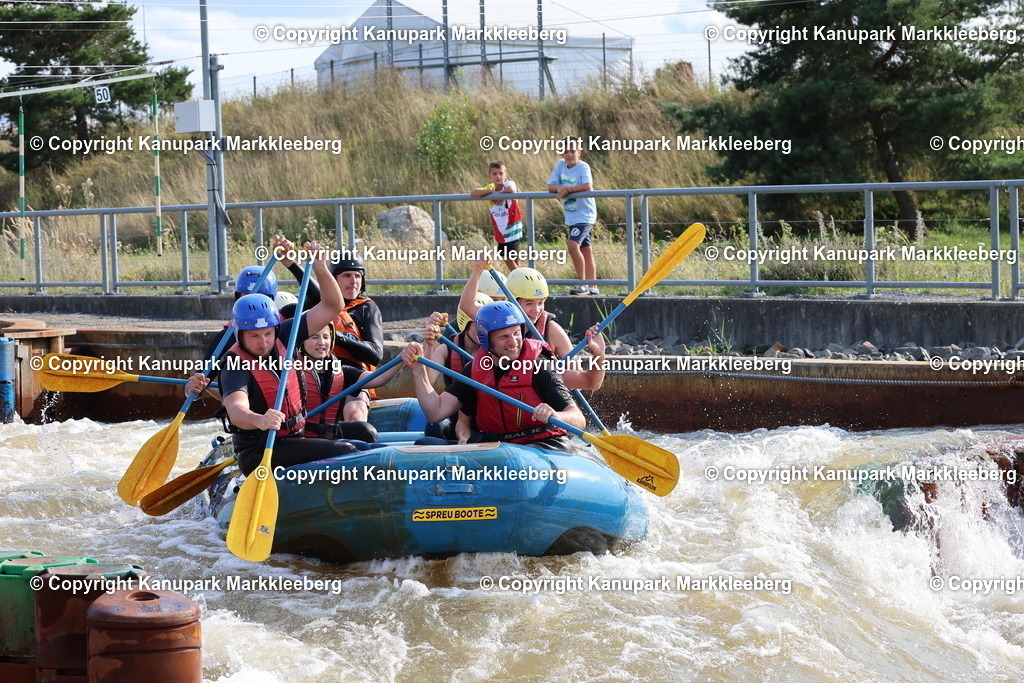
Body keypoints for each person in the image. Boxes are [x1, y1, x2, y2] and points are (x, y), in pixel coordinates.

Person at [190, 243, 381, 477]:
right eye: (254, 336)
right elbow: (237, 409)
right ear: (239, 334)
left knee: (363, 438)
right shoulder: (235, 363)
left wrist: (320, 266)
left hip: (296, 434)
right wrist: (259, 419)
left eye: (268, 333)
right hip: (261, 450)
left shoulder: (287, 333)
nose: (263, 342)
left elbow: (333, 305)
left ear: (275, 327)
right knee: (349, 449)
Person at [403, 301, 585, 453]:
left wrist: (557, 416)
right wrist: (418, 371)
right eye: (504, 337)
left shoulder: (539, 366)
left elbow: (578, 419)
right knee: (425, 445)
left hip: (542, 446)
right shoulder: (474, 370)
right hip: (498, 447)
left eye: (516, 333)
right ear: (486, 340)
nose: (513, 342)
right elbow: (435, 412)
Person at [459, 261, 607, 390]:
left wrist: (552, 370)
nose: (536, 310)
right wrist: (478, 270)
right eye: (529, 303)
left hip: (539, 399)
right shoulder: (498, 319)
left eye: (540, 302)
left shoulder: (552, 330)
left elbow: (579, 379)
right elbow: (467, 306)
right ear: (512, 301)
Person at [298, 322, 402, 443]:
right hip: (301, 436)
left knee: (366, 431)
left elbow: (380, 378)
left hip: (330, 432)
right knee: (347, 448)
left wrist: (402, 359)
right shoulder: (290, 371)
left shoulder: (341, 371)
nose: (321, 342)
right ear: (301, 341)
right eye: (314, 337)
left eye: (326, 337)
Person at [421, 292, 492, 443]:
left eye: (487, 325)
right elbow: (427, 380)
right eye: (478, 324)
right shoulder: (448, 348)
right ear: (464, 324)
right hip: (457, 415)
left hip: (487, 419)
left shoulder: (496, 350)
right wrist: (428, 345)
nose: (484, 330)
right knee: (433, 427)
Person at [329, 255, 384, 423]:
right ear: (333, 280)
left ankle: (357, 433)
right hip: (320, 372)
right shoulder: (318, 304)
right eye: (346, 275)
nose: (353, 281)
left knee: (354, 415)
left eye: (357, 276)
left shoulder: (367, 308)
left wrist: (337, 338)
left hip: (354, 377)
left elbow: (376, 354)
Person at [547, 137, 599, 295]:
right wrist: (560, 188)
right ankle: (593, 286)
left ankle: (582, 284)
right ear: (562, 153)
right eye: (566, 151)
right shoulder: (560, 166)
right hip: (572, 215)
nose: (569, 154)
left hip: (584, 215)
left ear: (579, 152)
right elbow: (550, 186)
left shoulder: (584, 167)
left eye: (572, 151)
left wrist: (568, 190)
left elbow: (587, 186)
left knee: (572, 246)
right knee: (585, 249)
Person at [469, 160, 523, 272]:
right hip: (500, 231)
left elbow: (511, 190)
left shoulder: (509, 184)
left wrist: (499, 195)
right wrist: (491, 192)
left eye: (501, 173)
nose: (498, 176)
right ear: (489, 176)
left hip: (512, 228)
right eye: (494, 174)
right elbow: (473, 193)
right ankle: (519, 281)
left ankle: (521, 280)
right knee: (511, 258)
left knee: (509, 258)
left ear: (506, 175)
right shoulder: (490, 188)